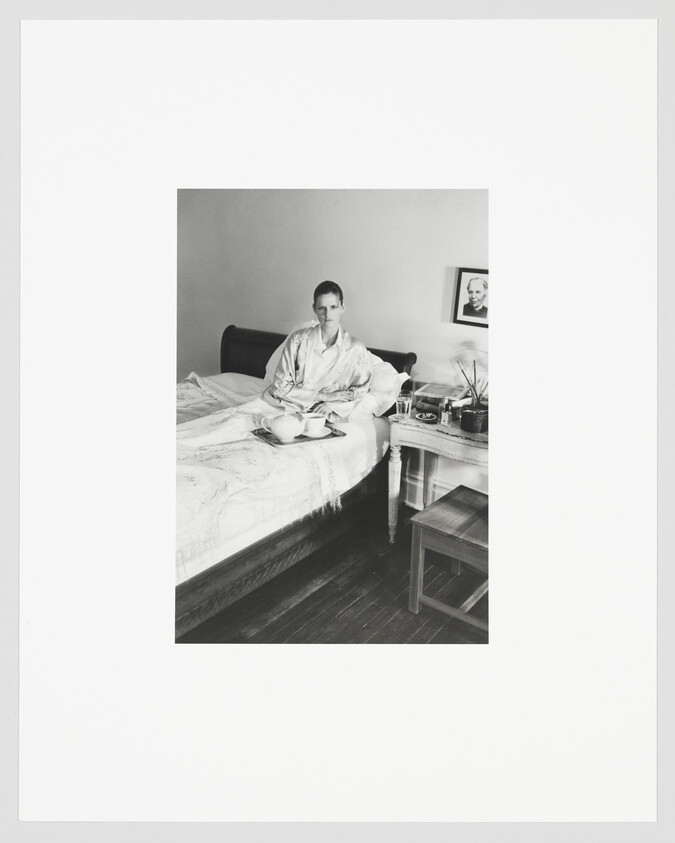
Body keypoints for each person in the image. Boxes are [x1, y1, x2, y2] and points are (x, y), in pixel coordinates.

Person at [263, 281, 373, 420]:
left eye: (333, 307)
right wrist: (323, 396)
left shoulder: (355, 349)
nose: (328, 314)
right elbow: (279, 386)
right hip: (286, 406)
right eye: (322, 308)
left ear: (342, 307)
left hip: (323, 415)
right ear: (314, 309)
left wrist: (332, 405)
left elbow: (361, 391)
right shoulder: (298, 340)